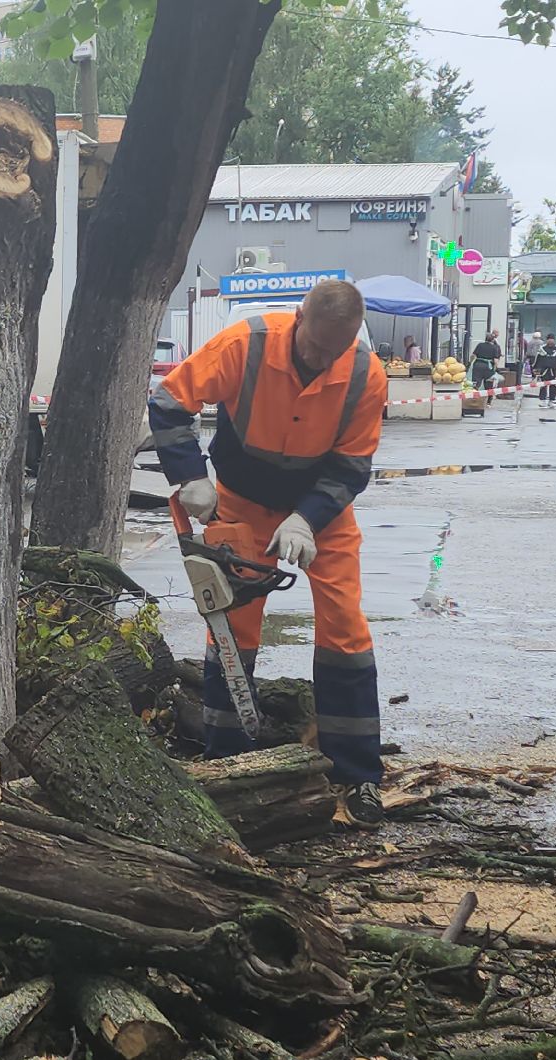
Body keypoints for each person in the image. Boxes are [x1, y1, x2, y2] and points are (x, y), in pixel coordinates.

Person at [149, 280, 389, 827]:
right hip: (240, 501)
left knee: (346, 627)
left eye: (336, 351)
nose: (323, 360)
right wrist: (191, 479)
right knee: (233, 628)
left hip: (318, 512)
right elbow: (169, 402)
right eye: (315, 348)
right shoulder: (245, 345)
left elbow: (351, 467)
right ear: (299, 318)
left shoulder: (364, 374)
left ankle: (357, 774)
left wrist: (307, 519)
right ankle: (228, 762)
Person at [534, 336, 556, 407]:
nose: (550, 341)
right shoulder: (542, 348)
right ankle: (543, 400)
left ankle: (551, 401)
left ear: (554, 340)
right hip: (544, 370)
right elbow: (537, 360)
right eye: (549, 339)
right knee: (543, 385)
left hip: (553, 370)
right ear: (547, 340)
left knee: (553, 385)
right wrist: (536, 370)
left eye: (552, 339)